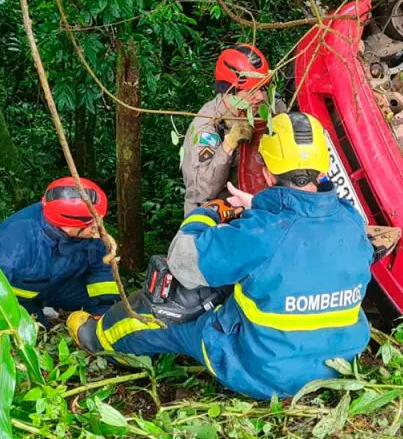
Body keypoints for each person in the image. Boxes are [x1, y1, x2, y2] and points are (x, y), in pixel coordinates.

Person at [67, 112, 373, 400]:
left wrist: (206, 213)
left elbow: (183, 262)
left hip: (267, 373)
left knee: (162, 315)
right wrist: (258, 208)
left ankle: (96, 337)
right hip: (335, 364)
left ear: (267, 173)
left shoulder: (260, 236)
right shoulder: (352, 221)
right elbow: (303, 237)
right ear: (322, 170)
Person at [0, 177, 117, 321]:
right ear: (67, 227)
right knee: (35, 330)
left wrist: (104, 309)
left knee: (115, 311)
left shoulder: (88, 232)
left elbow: (101, 267)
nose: (99, 228)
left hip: (61, 287)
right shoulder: (14, 243)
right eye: (93, 225)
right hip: (20, 299)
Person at [182, 44, 273, 214]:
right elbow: (203, 191)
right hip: (210, 214)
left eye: (262, 88)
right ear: (229, 93)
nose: (260, 96)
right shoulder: (206, 127)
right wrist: (228, 145)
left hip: (250, 204)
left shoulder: (262, 105)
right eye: (252, 91)